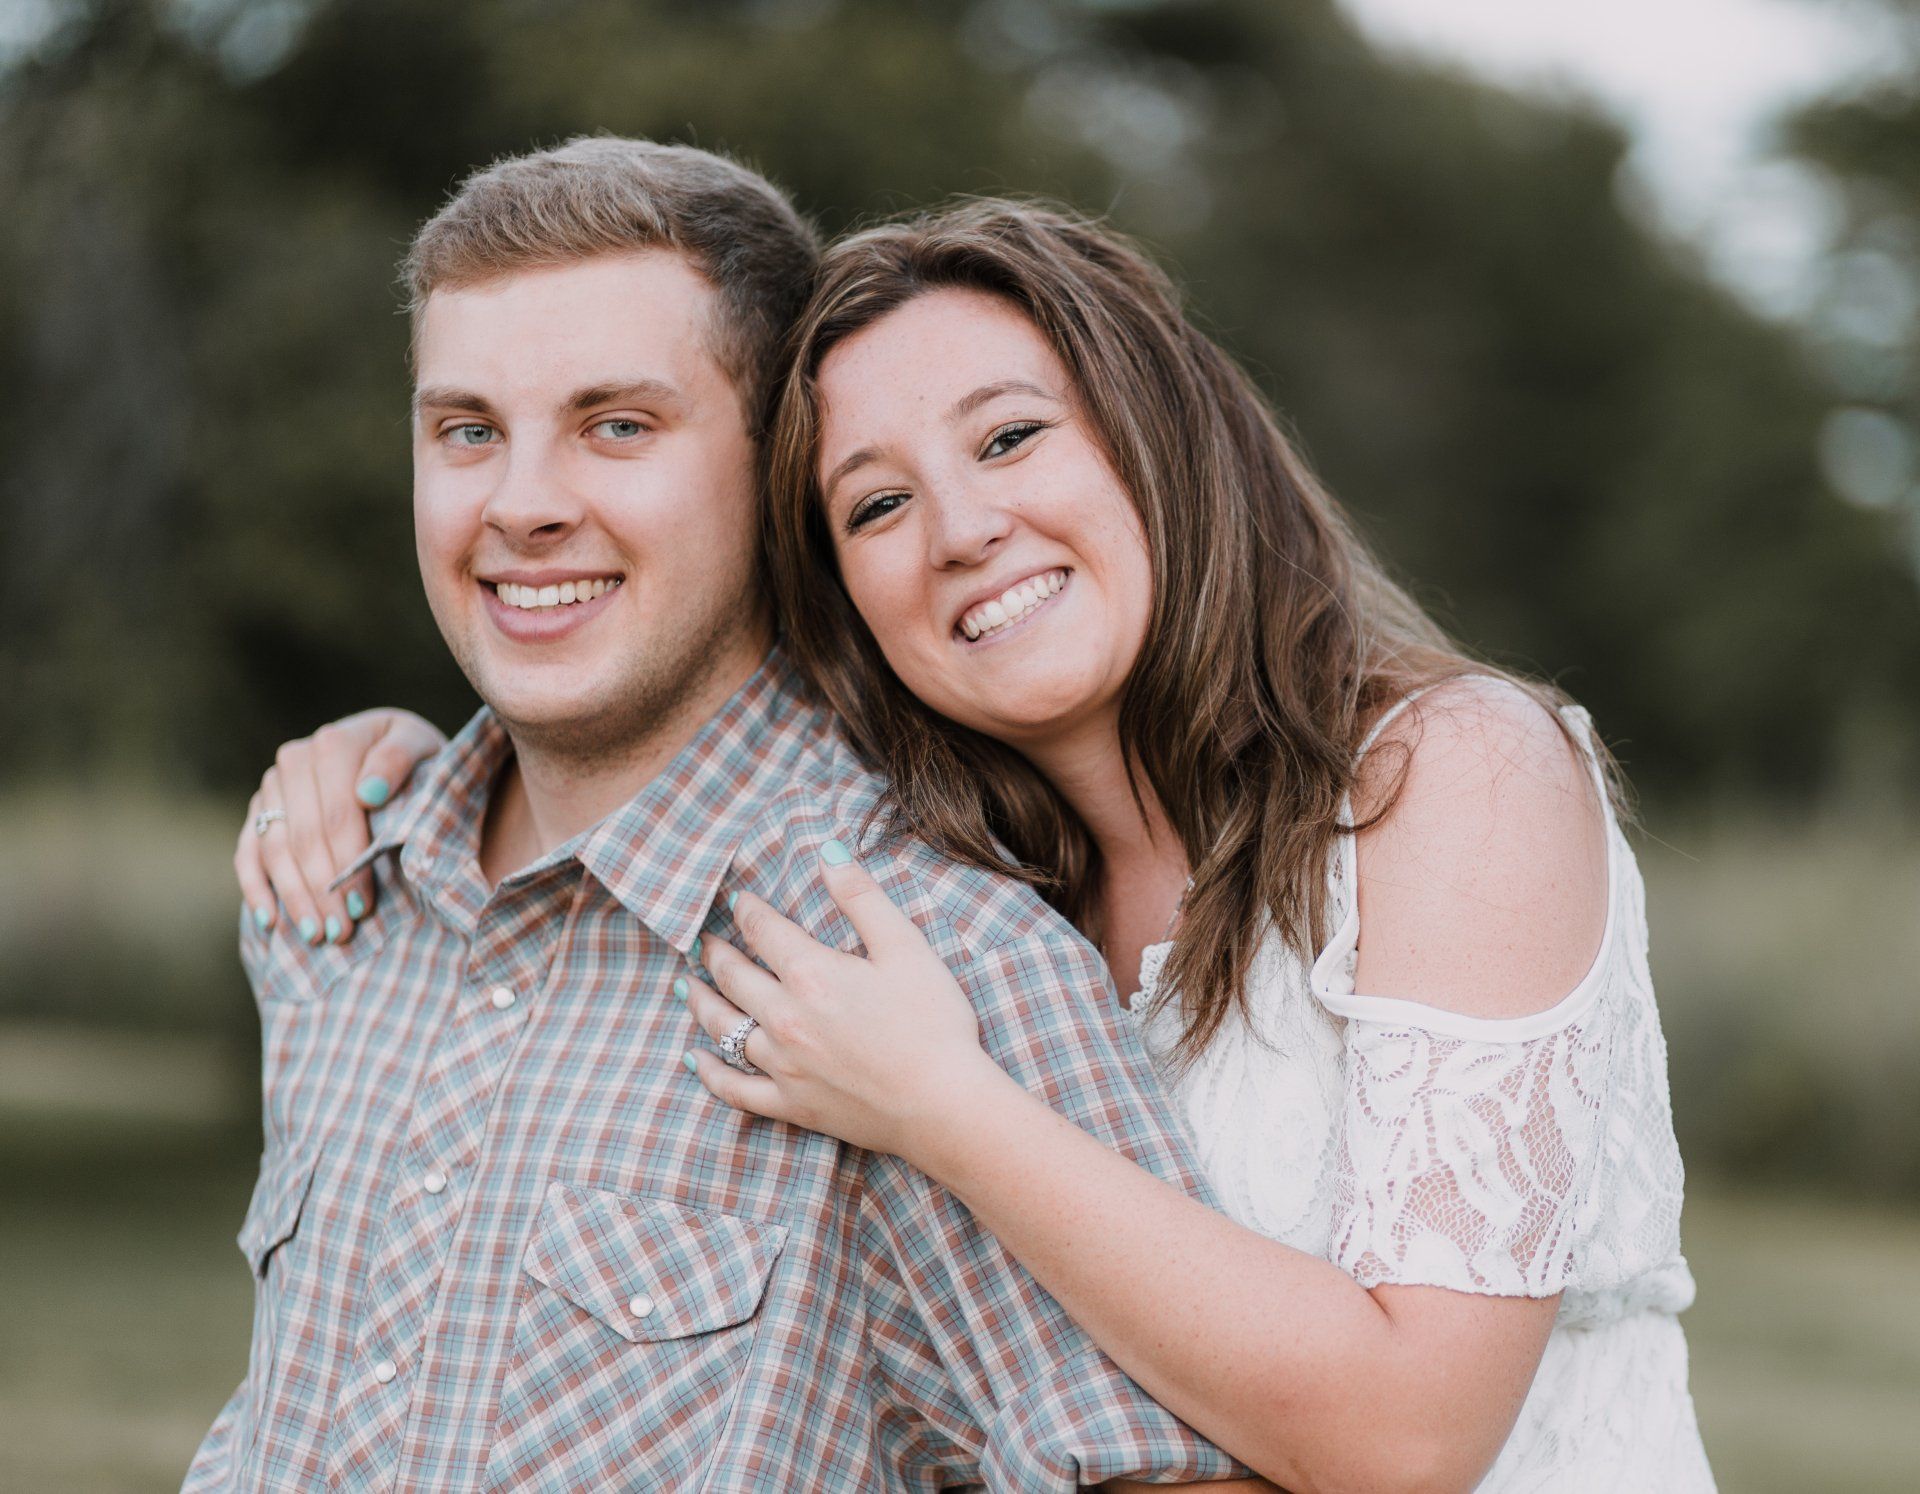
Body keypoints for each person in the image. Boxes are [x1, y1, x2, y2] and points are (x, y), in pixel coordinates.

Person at [240, 200, 1716, 1491]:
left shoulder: (1443, 772)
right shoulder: (986, 886)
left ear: (1160, 428)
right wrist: (391, 756)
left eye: (1010, 436)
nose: (958, 529)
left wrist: (943, 1104)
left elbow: (1410, 1439)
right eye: (876, 503)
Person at [198, 138, 1268, 1492]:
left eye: (617, 426)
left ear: (777, 479)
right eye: (467, 429)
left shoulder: (926, 954)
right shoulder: (335, 889)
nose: (521, 505)